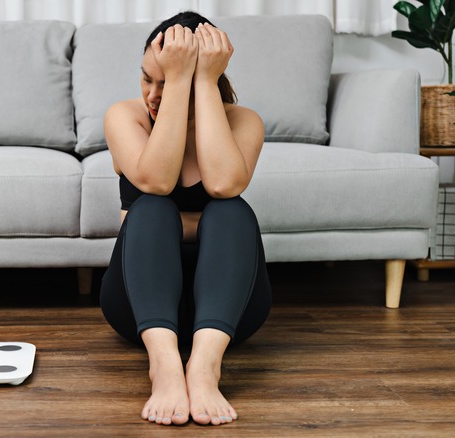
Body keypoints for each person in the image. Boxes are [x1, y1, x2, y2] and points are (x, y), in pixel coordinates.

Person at [99, 10, 272, 427]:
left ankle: (205, 368)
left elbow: (224, 185)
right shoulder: (126, 117)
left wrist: (203, 82)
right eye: (148, 79)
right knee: (152, 209)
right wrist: (178, 82)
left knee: (231, 210)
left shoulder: (243, 121)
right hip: (140, 306)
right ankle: (164, 367)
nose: (153, 95)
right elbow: (155, 183)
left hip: (230, 312)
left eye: (168, 80)